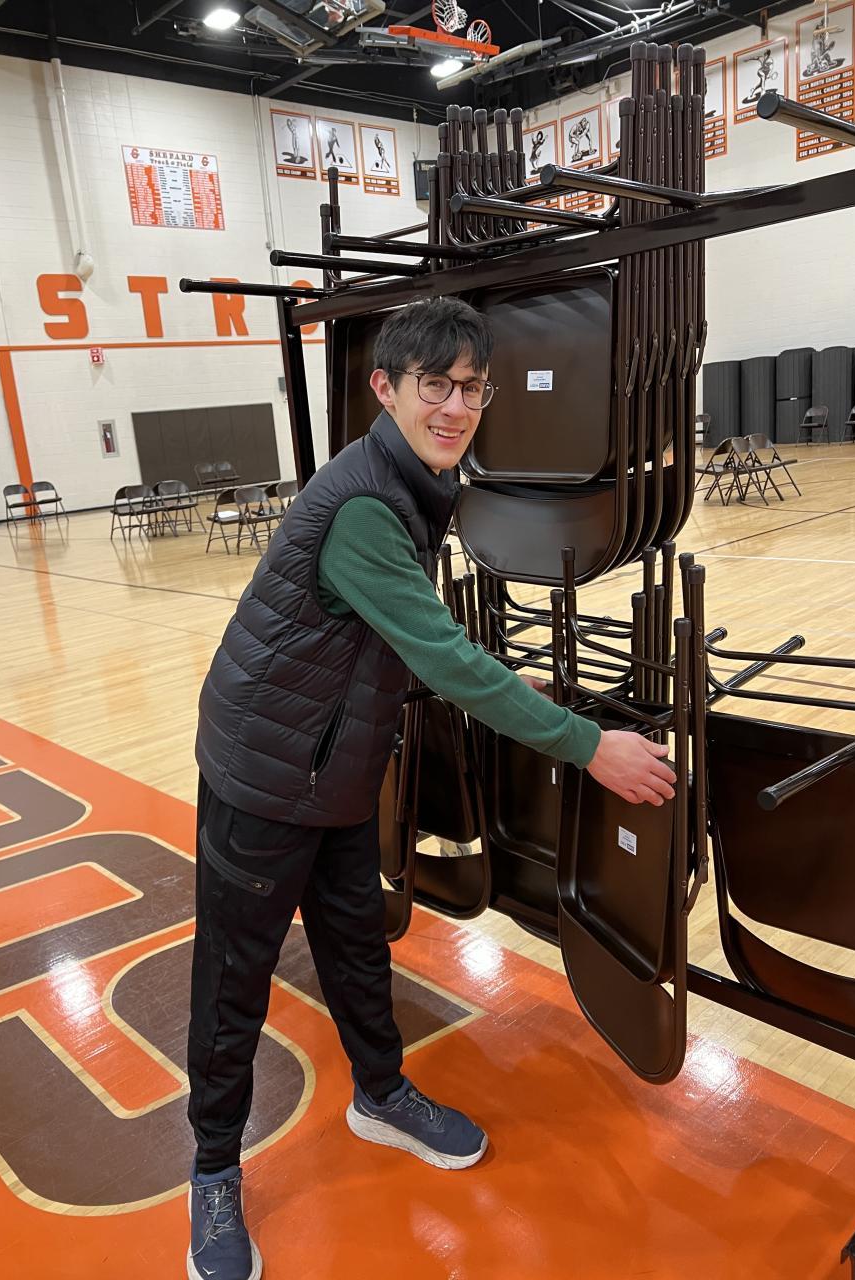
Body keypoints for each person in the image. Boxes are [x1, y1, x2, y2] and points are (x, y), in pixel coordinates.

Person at [186, 297, 677, 1280]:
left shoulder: (416, 481)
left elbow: (398, 640)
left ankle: (380, 1094)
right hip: (265, 773)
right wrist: (587, 744)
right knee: (234, 982)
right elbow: (445, 658)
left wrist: (514, 688)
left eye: (472, 388)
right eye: (435, 386)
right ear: (386, 388)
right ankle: (211, 1171)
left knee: (356, 943)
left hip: (333, 764)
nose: (456, 407)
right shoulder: (366, 505)